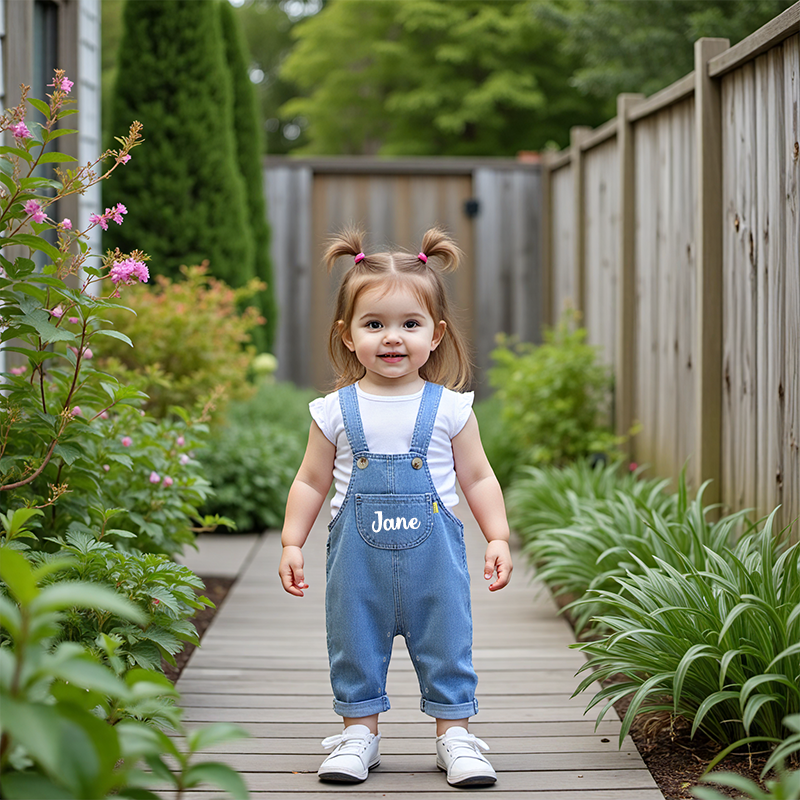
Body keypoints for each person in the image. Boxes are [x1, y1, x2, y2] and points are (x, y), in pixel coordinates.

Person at [278, 226, 513, 787]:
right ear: (347, 333)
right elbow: (310, 481)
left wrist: (498, 535)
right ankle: (360, 733)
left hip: (437, 563)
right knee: (353, 641)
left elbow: (477, 476)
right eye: (374, 324)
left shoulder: (452, 409)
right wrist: (292, 541)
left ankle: (453, 736)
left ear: (436, 335)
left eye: (410, 324)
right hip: (357, 566)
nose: (392, 338)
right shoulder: (333, 410)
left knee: (448, 642)